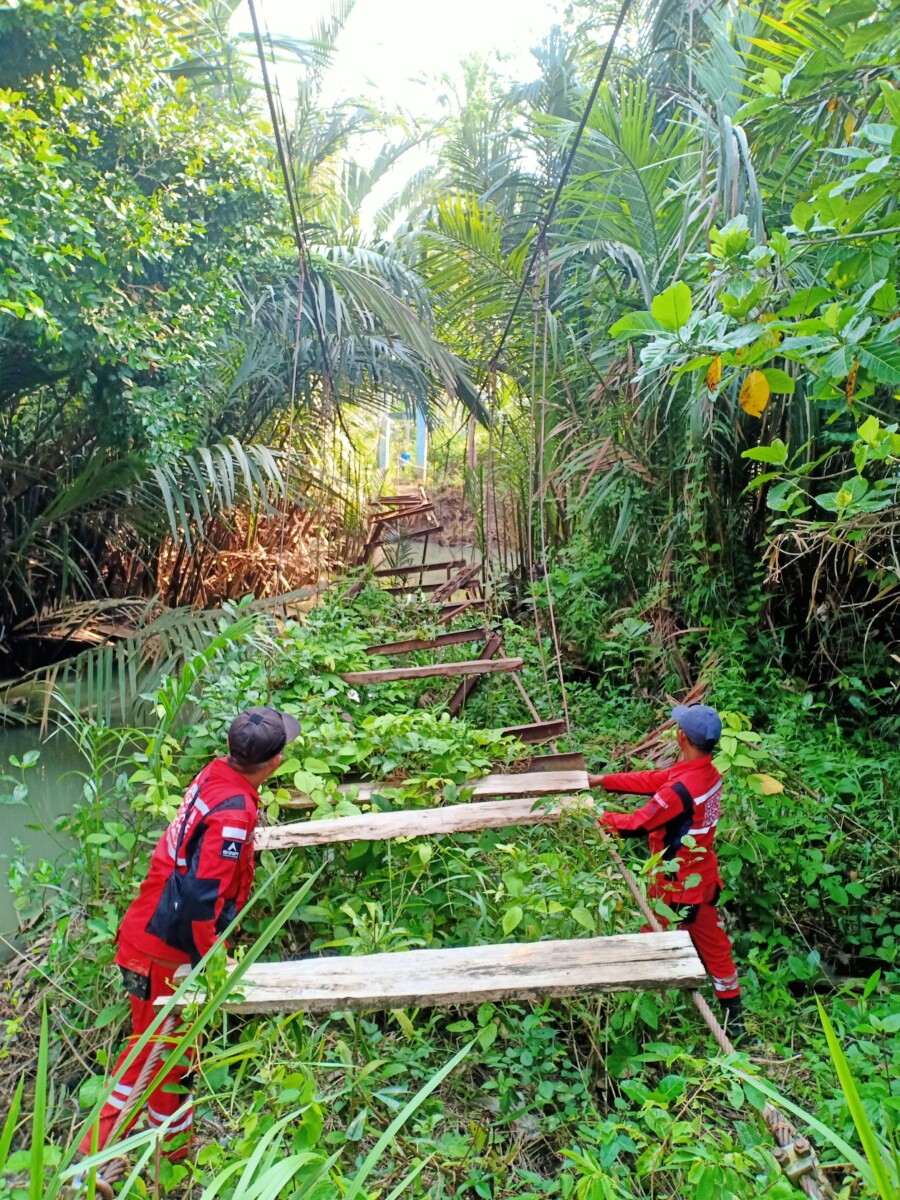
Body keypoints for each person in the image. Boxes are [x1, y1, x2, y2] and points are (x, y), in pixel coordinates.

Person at [78, 706, 300, 1166]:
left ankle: (172, 1158)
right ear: (275, 761)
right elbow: (202, 898)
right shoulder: (234, 811)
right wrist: (210, 961)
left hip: (142, 935)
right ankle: (86, 1166)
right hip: (164, 952)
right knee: (152, 1052)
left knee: (171, 1055)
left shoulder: (214, 776)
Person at [588, 704, 745, 1042]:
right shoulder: (707, 774)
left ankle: (653, 1021)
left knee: (655, 943)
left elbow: (638, 824)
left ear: (681, 736)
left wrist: (596, 817)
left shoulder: (681, 790)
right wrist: (603, 781)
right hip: (703, 878)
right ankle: (736, 1020)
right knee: (714, 945)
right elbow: (654, 780)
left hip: (675, 885)